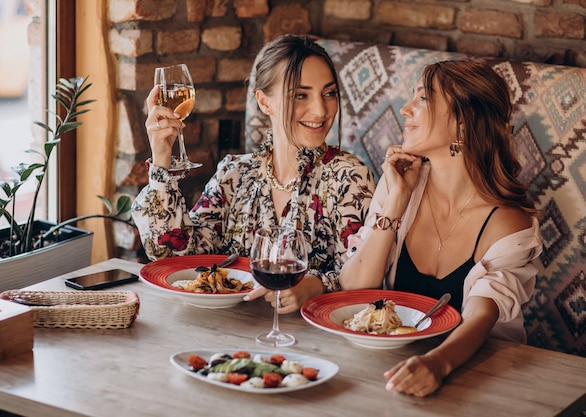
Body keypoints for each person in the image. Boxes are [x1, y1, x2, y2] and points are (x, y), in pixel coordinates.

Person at [339, 60, 542, 397]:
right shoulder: (399, 186)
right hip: (387, 369)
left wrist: (436, 364)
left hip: (478, 380)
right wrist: (396, 201)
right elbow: (355, 287)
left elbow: (481, 316)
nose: (405, 109)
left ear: (462, 122)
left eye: (422, 99)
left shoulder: (507, 222)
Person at [132, 34, 376, 313]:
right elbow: (179, 255)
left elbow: (365, 278)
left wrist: (317, 285)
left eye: (329, 93)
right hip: (228, 331)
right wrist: (162, 160)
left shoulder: (350, 178)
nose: (321, 110)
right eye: (301, 95)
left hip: (312, 340)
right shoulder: (234, 173)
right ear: (264, 102)